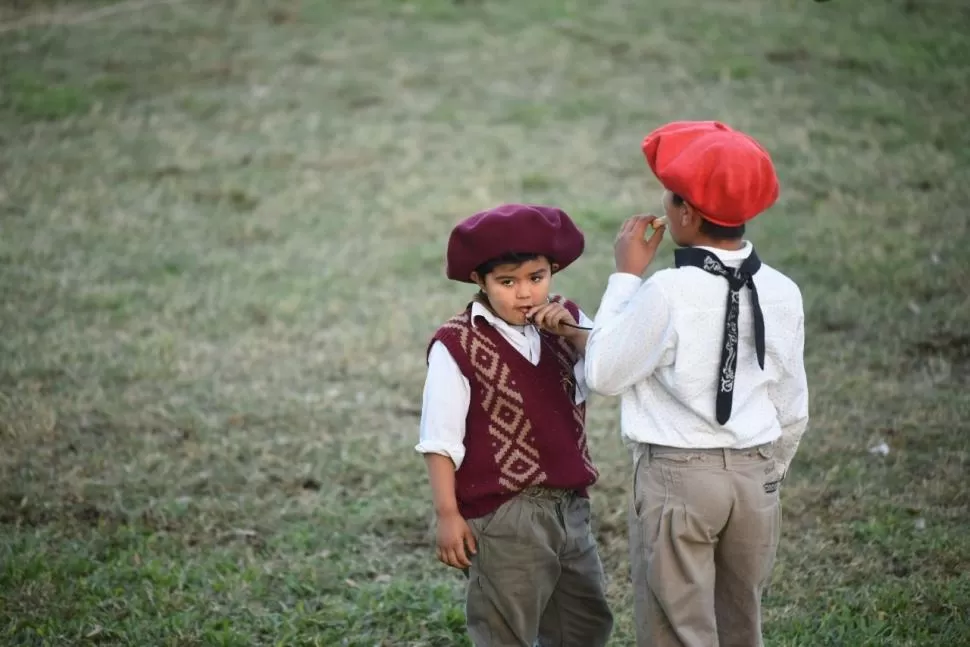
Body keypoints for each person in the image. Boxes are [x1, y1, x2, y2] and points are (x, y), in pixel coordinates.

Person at [584, 121, 810, 646]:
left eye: (669, 199)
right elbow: (791, 405)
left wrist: (624, 277)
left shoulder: (667, 290)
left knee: (677, 633)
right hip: (755, 482)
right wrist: (768, 475)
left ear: (686, 212)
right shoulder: (783, 289)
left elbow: (603, 373)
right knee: (740, 627)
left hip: (679, 481)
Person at [415, 203, 614, 647]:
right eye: (507, 282)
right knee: (506, 629)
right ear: (479, 281)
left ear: (553, 270)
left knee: (584, 622)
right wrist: (448, 514)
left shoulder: (567, 323)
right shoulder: (457, 344)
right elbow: (439, 439)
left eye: (536, 278)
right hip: (505, 516)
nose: (524, 293)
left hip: (570, 506)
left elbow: (609, 372)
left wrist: (574, 335)